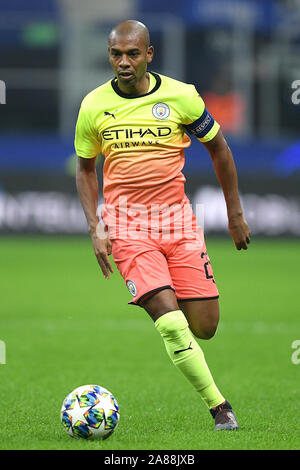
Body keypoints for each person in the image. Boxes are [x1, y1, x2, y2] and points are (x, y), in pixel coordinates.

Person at [75, 20, 250, 431]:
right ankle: (219, 407)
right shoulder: (93, 105)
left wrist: (235, 213)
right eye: (116, 54)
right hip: (127, 227)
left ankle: (170, 307)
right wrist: (96, 226)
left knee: (205, 326)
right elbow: (85, 170)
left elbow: (220, 151)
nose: (123, 62)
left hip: (179, 223)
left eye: (132, 54)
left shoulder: (182, 96)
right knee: (171, 323)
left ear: (149, 54)